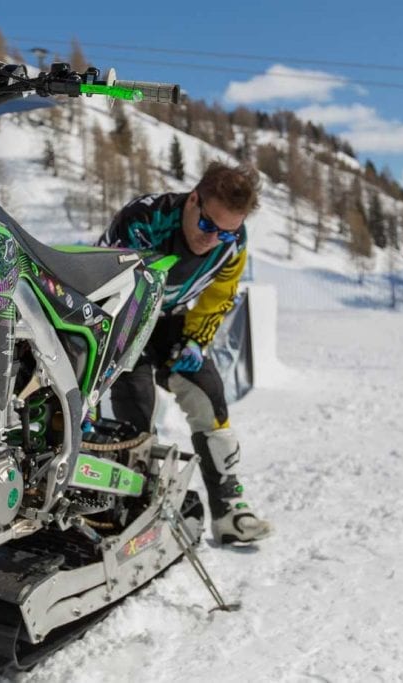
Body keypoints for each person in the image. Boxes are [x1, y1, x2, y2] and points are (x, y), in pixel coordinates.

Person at [97, 162, 273, 545]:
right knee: (137, 400)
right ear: (193, 200)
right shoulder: (145, 218)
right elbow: (115, 288)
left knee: (207, 391)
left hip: (170, 318)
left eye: (225, 233)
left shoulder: (233, 242)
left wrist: (196, 341)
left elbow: (218, 296)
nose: (212, 240)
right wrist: (128, 350)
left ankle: (228, 508)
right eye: (208, 225)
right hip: (117, 317)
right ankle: (137, 503)